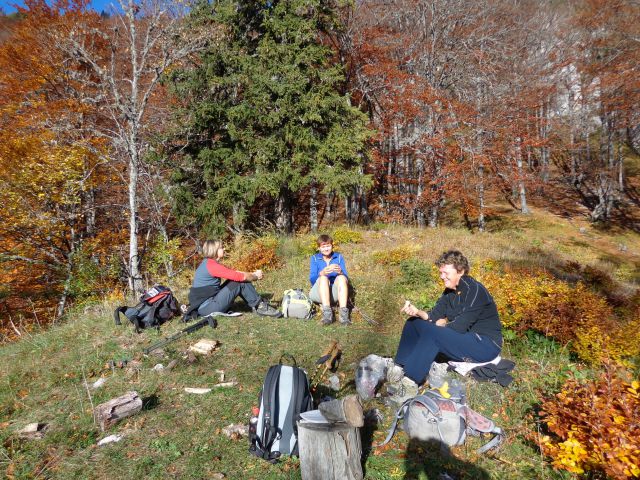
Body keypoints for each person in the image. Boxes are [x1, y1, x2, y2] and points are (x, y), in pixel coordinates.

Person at [389, 250, 503, 398]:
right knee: (414, 323)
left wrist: (439, 326)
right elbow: (433, 316)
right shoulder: (449, 292)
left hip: (485, 345)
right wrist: (417, 312)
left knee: (433, 333)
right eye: (440, 272)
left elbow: (459, 327)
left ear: (460, 271)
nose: (442, 276)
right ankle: (399, 366)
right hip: (466, 338)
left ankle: (410, 382)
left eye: (446, 273)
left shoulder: (475, 291)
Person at [186, 239, 282, 319]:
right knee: (239, 282)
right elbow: (240, 277)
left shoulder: (208, 263)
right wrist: (256, 276)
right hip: (208, 307)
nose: (224, 249)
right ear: (214, 250)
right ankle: (260, 307)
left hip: (205, 306)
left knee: (236, 280)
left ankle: (258, 304)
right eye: (221, 247)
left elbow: (235, 273)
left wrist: (252, 274)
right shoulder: (212, 266)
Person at [308, 234, 350, 325]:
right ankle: (327, 315)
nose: (326, 249)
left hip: (334, 294)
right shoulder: (314, 258)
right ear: (319, 248)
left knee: (342, 277)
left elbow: (346, 278)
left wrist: (340, 272)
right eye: (323, 246)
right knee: (323, 278)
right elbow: (312, 279)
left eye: (328, 246)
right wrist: (321, 273)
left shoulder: (338, 257)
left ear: (332, 246)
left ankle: (343, 316)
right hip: (318, 293)